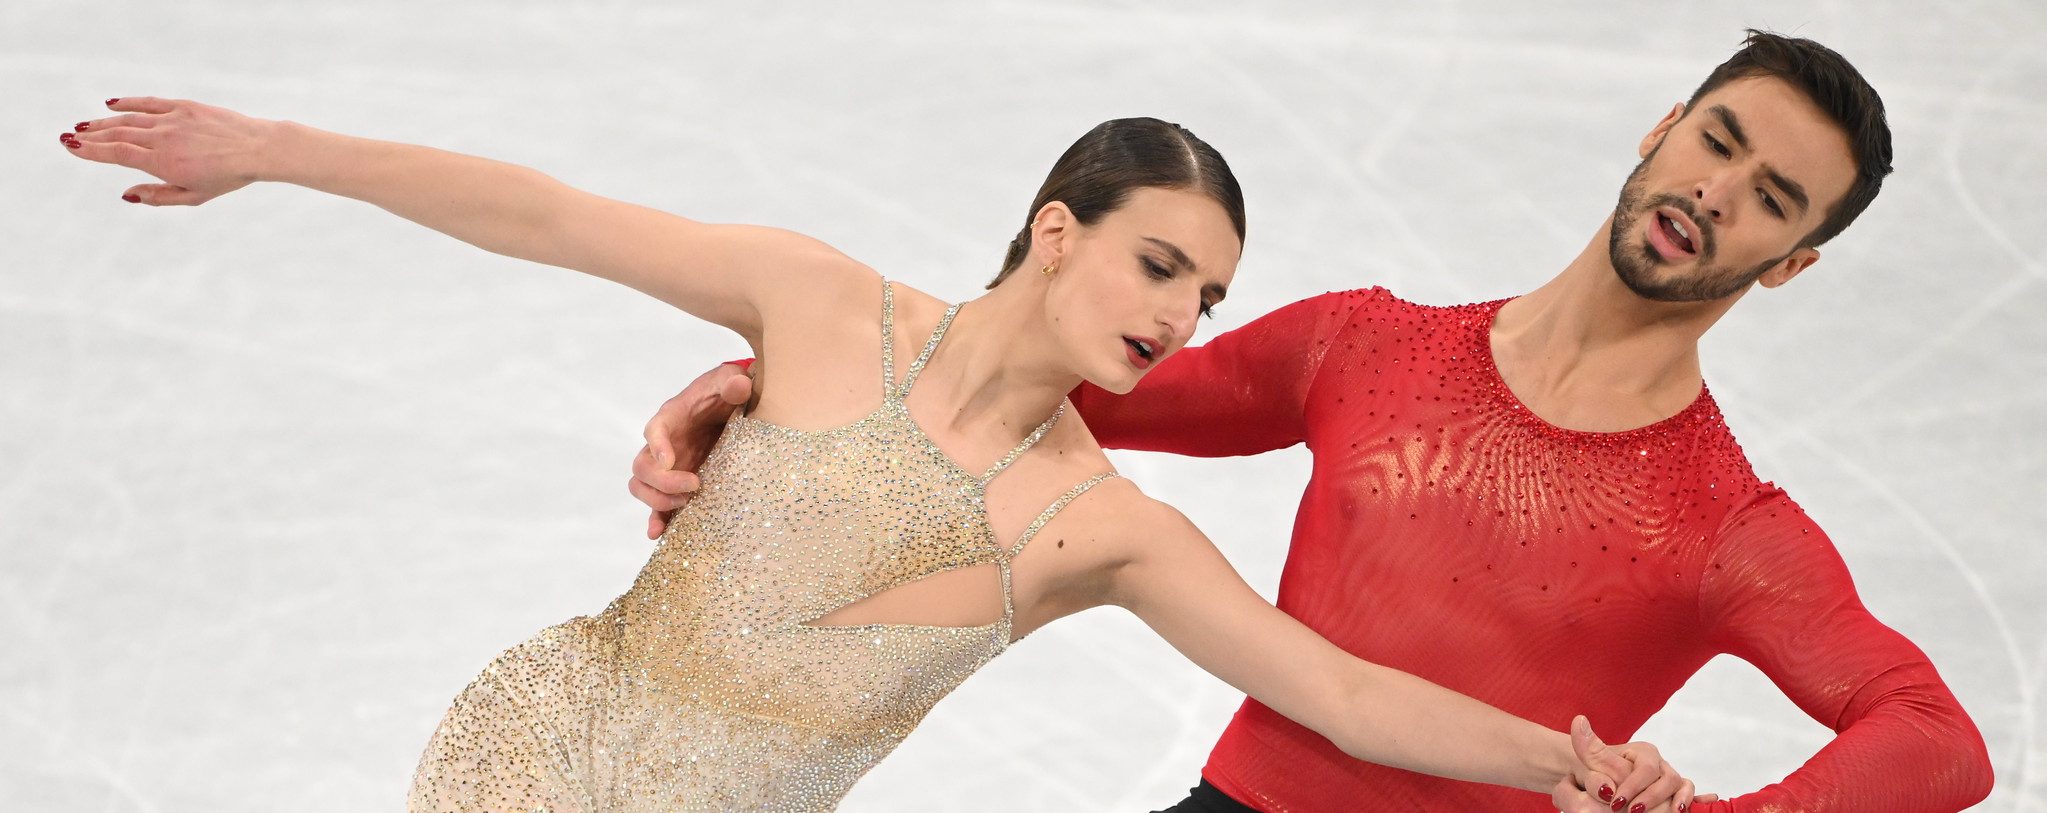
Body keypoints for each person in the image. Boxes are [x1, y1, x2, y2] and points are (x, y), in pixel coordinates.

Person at [60, 103, 1692, 812]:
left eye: (1210, 296)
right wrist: (271, 154)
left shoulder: (1098, 526)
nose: (1184, 316)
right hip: (539, 746)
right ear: (1059, 233)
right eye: (1158, 265)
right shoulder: (825, 308)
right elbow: (549, 215)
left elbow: (1335, 688)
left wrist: (1567, 756)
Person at [631, 31, 1994, 812]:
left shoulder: (1720, 521)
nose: (1720, 190)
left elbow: (1935, 734)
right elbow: (1052, 372)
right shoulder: (1368, 345)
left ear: (1791, 259)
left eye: (1773, 197)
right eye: (1720, 139)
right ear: (1662, 125)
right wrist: (769, 388)